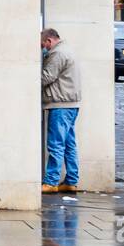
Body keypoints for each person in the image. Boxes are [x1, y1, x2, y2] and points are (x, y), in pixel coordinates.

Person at [41, 27, 81, 193]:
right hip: (70, 104)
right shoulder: (67, 49)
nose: (43, 48)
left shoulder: (57, 53)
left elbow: (47, 77)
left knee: (56, 144)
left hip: (60, 105)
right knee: (69, 144)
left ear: (49, 40)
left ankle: (51, 182)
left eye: (43, 45)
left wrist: (26, 79)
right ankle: (71, 181)